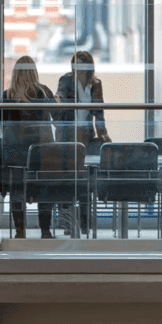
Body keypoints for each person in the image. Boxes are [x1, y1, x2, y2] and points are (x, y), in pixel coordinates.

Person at [55, 50, 112, 235]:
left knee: (85, 180)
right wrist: (57, 99)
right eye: (77, 64)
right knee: (66, 180)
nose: (79, 68)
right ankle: (66, 224)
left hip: (86, 135)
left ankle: (86, 223)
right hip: (68, 135)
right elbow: (61, 95)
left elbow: (99, 111)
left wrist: (103, 133)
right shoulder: (66, 80)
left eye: (83, 64)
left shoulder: (96, 84)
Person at [1, 56, 57, 239]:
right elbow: (59, 117)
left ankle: (20, 231)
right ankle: (45, 230)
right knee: (44, 191)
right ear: (34, 71)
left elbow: (3, 125)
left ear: (15, 73)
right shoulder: (44, 93)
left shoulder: (7, 96)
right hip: (42, 153)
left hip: (15, 154)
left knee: (17, 192)